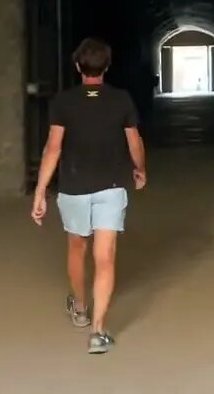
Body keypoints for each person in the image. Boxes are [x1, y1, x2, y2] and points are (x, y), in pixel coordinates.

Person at [31, 37, 147, 354]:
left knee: (76, 248)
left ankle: (80, 308)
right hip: (111, 187)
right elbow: (134, 142)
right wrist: (140, 168)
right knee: (105, 257)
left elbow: (53, 148)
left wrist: (40, 191)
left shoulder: (64, 102)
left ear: (78, 66)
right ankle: (98, 331)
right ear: (106, 67)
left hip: (73, 188)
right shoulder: (121, 100)